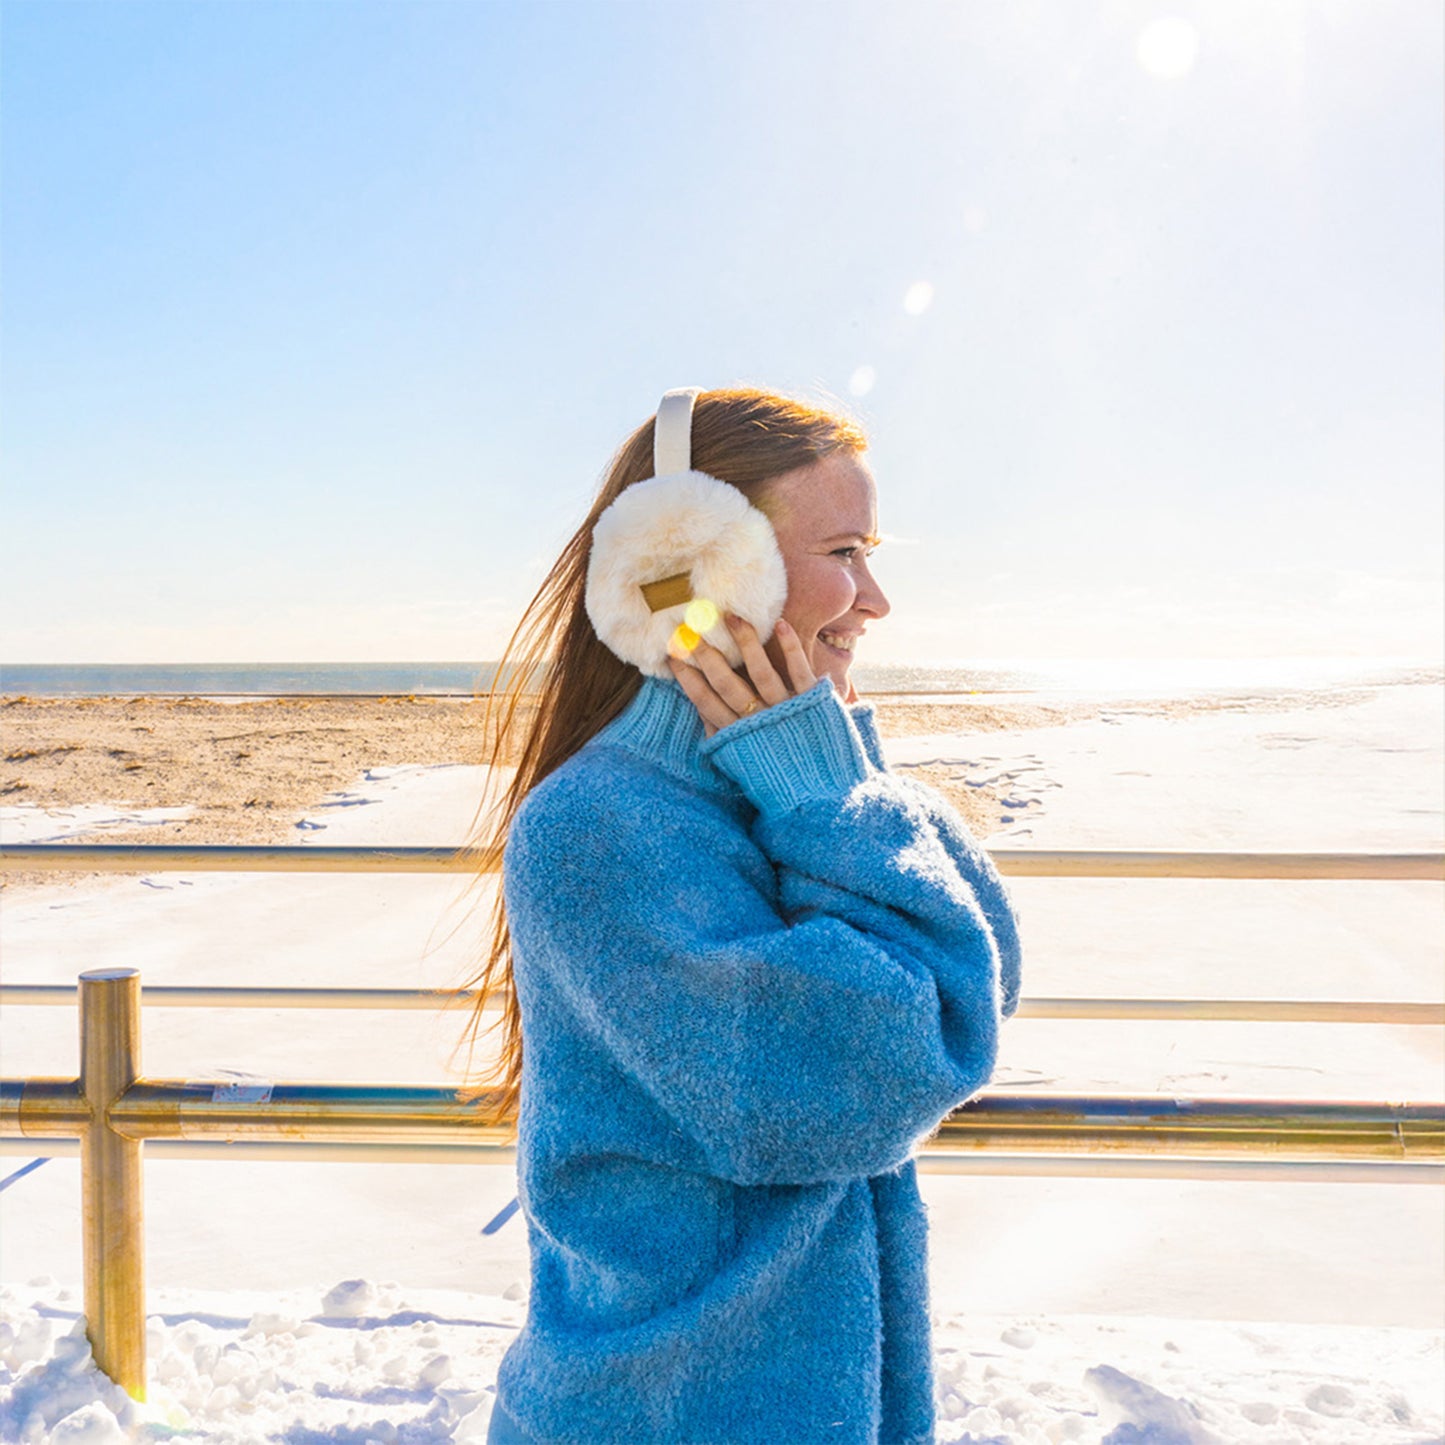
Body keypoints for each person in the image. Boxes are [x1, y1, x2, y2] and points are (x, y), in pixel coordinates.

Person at [466, 387, 1022, 1445]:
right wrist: (821, 795)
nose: (874, 599)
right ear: (705, 562)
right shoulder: (602, 827)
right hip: (667, 1412)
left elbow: (980, 970)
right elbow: (887, 1061)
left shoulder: (778, 785)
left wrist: (821, 773)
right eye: (845, 550)